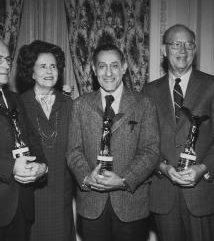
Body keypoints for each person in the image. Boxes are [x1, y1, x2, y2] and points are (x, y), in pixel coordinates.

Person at [66, 43, 160, 241]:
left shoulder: (144, 104)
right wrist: (86, 178)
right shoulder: (80, 106)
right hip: (91, 205)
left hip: (131, 205)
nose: (108, 72)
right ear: (93, 69)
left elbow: (151, 151)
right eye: (102, 66)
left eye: (114, 65)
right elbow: (73, 151)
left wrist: (124, 180)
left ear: (124, 67)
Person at [143, 24, 214, 241]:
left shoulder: (211, 86)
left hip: (201, 193)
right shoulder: (148, 92)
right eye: (176, 44)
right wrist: (163, 168)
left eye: (189, 45)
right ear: (164, 50)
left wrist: (202, 168)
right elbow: (144, 143)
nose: (183, 50)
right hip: (164, 194)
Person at [16, 40, 76, 241]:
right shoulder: (18, 104)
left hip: (62, 194)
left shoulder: (70, 105)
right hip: (30, 194)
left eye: (53, 66)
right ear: (31, 72)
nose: (50, 71)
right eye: (43, 66)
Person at [0, 38, 47, 241]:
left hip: (21, 205)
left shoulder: (14, 98)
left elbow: (33, 141)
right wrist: (11, 167)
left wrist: (42, 166)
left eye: (8, 59)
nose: (6, 65)